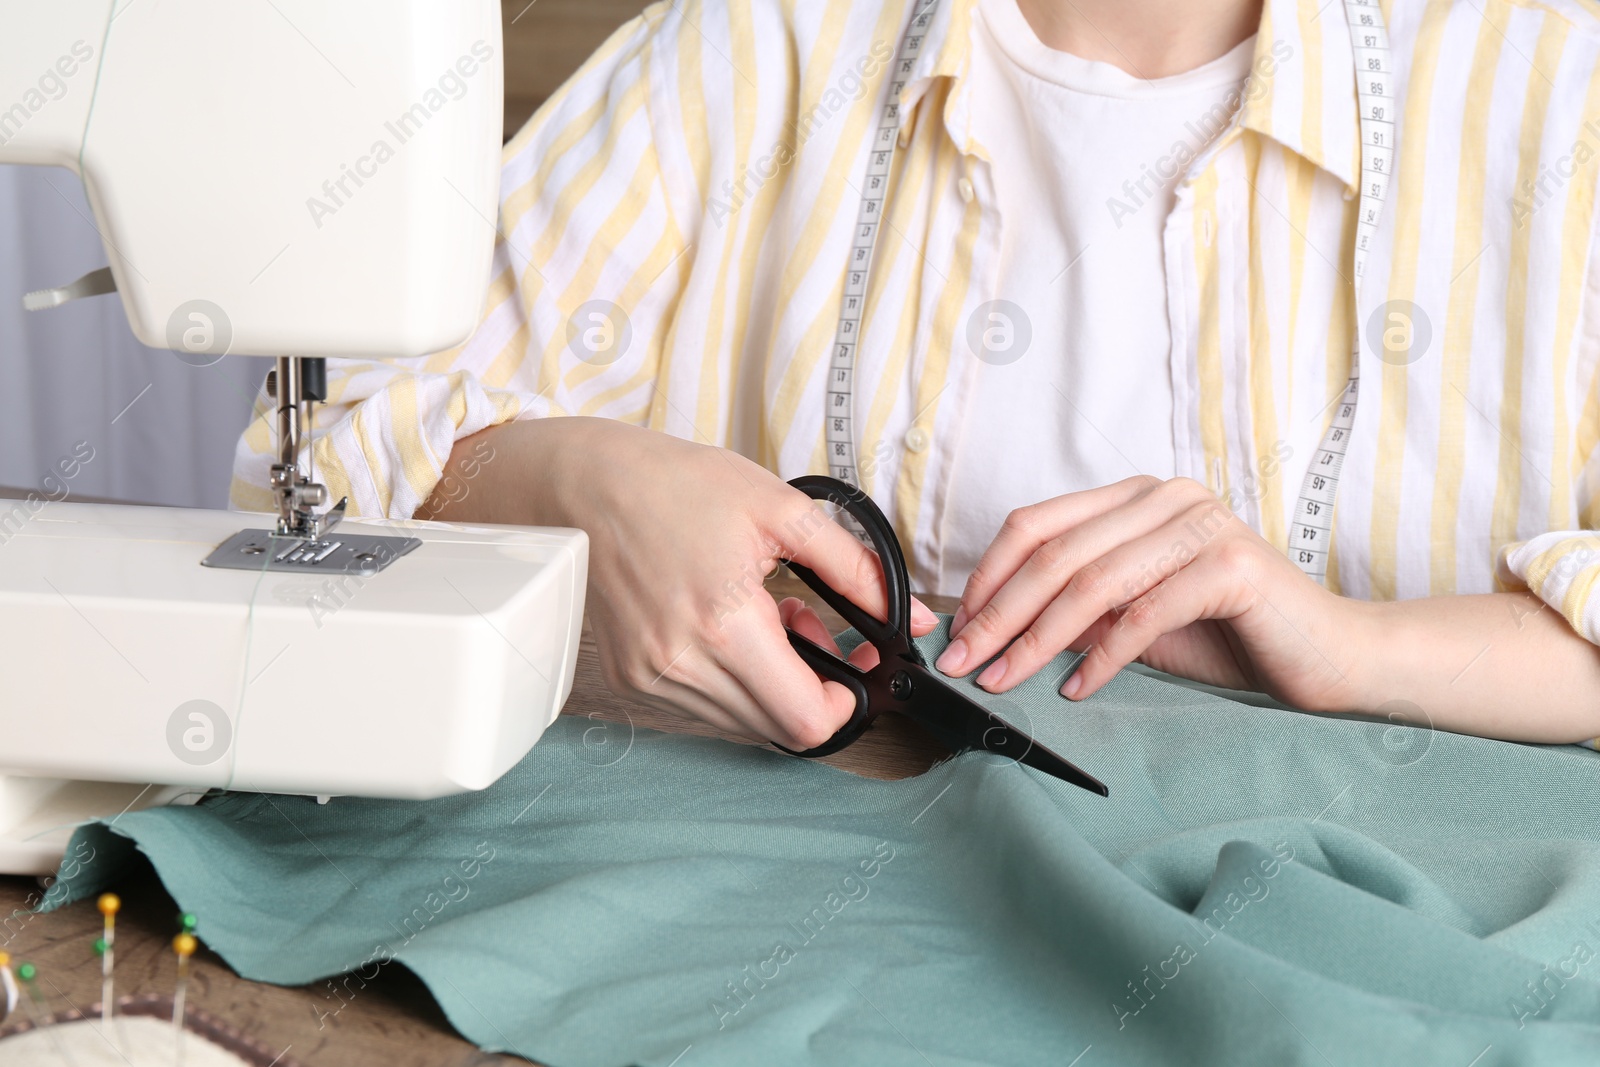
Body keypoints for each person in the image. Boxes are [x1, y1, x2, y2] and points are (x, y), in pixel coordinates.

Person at [234, 0, 1600, 754]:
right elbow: (319, 464)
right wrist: (571, 479)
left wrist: (1356, 652)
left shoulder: (1554, 92)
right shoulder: (755, 43)